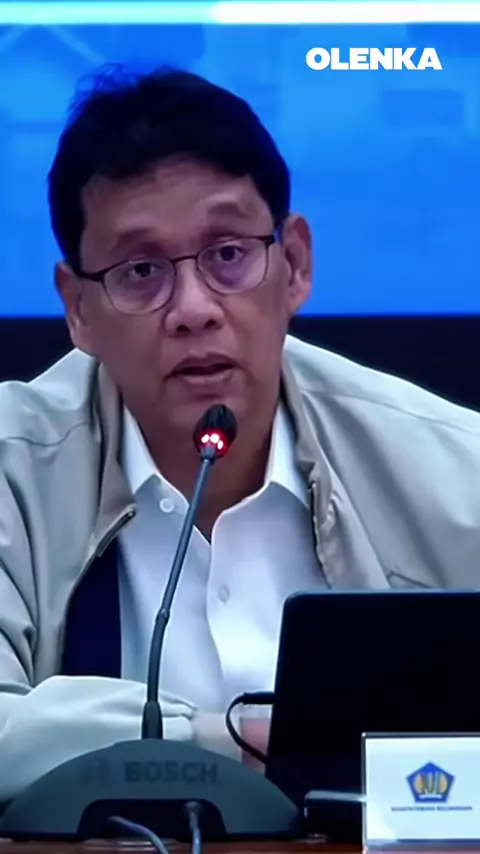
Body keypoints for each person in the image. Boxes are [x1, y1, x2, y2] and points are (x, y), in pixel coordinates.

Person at [1, 64, 480, 804]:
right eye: (140, 270)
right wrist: (213, 744)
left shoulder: (452, 469)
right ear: (79, 309)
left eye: (228, 255)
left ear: (295, 266)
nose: (193, 309)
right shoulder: (13, 471)